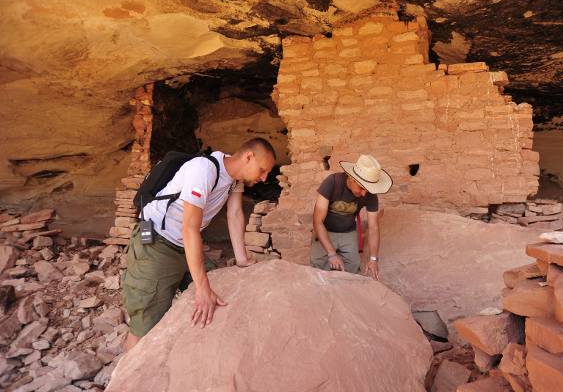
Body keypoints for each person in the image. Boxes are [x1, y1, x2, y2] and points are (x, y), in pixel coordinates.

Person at [122, 138, 276, 351]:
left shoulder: (234, 179)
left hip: (182, 244)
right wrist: (202, 288)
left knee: (220, 293)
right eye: (262, 170)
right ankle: (129, 379)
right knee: (146, 324)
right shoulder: (203, 170)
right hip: (157, 244)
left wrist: (242, 259)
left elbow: (235, 214)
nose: (264, 177)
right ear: (248, 157)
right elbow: (190, 229)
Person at [310, 154, 392, 279]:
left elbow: (373, 227)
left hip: (348, 232)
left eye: (367, 190)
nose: (364, 193)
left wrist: (373, 259)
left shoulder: (369, 194)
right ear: (351, 178)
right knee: (317, 267)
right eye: (361, 188)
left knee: (353, 268)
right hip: (325, 230)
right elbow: (317, 221)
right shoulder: (332, 182)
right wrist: (331, 254)